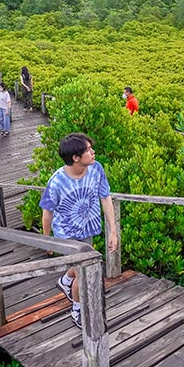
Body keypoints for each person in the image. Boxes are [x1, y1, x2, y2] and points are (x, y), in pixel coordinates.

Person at [39, 133, 117, 329]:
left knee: (79, 266)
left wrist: (113, 231)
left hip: (87, 228)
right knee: (82, 272)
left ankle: (65, 281)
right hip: (66, 234)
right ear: (75, 157)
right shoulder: (57, 182)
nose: (93, 153)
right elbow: (47, 213)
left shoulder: (96, 169)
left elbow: (105, 198)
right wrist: (46, 240)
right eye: (89, 150)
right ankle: (77, 309)